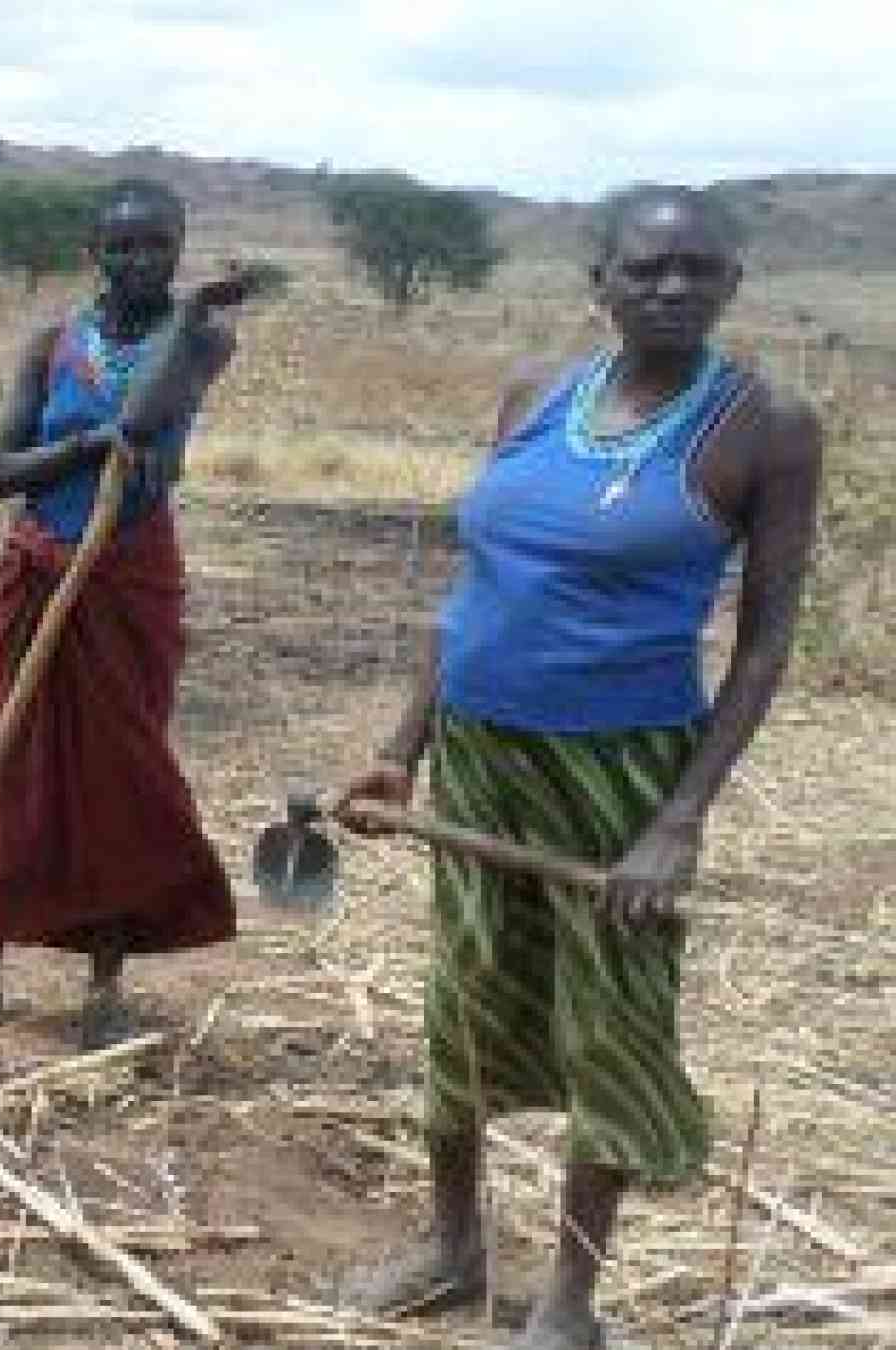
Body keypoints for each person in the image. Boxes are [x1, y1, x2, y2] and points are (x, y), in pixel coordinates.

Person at [334, 185, 822, 1350]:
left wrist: (682, 819)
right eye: (647, 269)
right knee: (466, 992)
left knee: (611, 1023)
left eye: (699, 270)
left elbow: (762, 646)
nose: (671, 289)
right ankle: (452, 1247)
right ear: (598, 282)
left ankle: (571, 1299)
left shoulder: (765, 425)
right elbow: (472, 602)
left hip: (624, 775)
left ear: (733, 287)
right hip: (483, 755)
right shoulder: (536, 395)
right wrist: (404, 751)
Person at [0, 179, 245, 1048]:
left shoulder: (203, 340)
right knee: (14, 762)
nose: (137, 262)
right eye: (120, 248)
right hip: (41, 565)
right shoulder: (50, 343)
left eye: (156, 246)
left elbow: (144, 416)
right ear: (94, 253)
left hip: (128, 574)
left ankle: (104, 984)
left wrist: (191, 312)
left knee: (120, 775)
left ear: (179, 249)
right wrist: (82, 448)